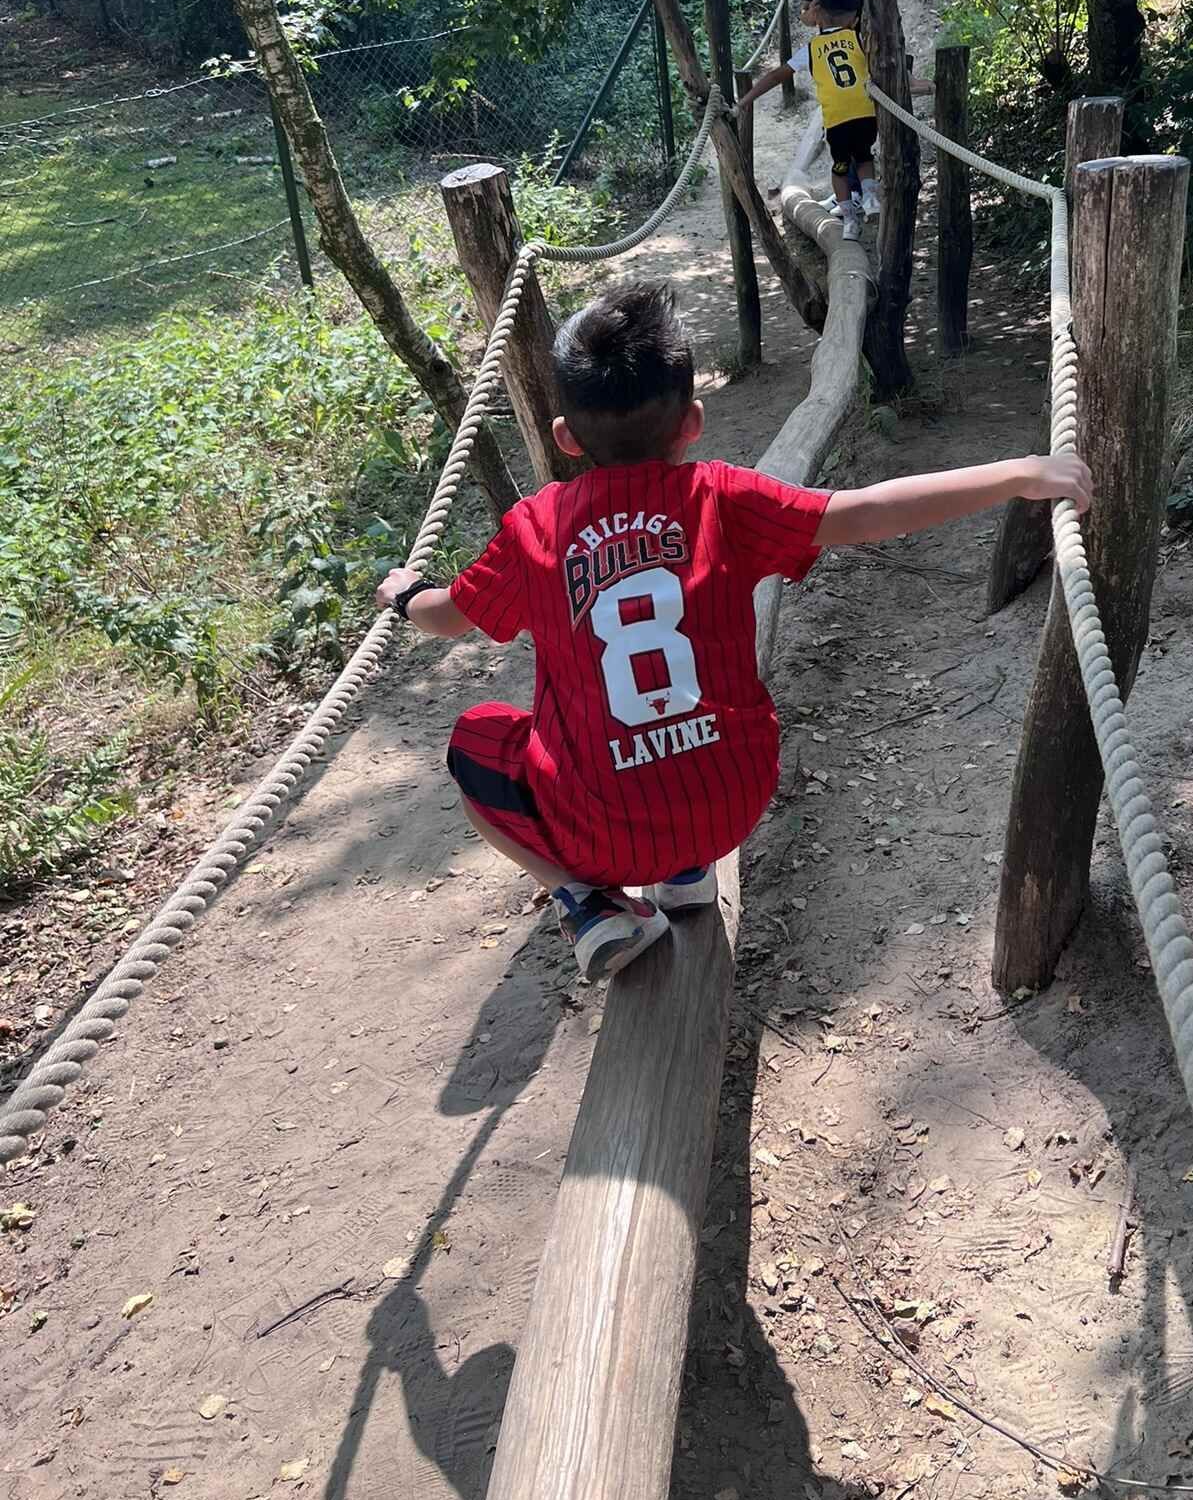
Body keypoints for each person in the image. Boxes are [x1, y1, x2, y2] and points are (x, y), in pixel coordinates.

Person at [375, 282, 1091, 982]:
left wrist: (407, 595)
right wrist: (1019, 472)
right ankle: (686, 873)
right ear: (692, 421)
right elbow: (868, 511)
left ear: (564, 438)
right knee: (678, 729)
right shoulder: (724, 499)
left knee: (476, 741)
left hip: (598, 829)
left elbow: (447, 619)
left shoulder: (534, 529)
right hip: (731, 801)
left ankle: (587, 903)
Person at [737, 0, 929, 241]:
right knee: (863, 156)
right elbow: (887, 67)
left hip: (837, 121)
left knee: (839, 169)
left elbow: (775, 76)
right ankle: (870, 196)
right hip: (866, 115)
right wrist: (917, 83)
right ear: (855, 18)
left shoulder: (812, 49)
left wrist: (746, 100)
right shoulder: (860, 40)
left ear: (820, 14)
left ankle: (849, 219)